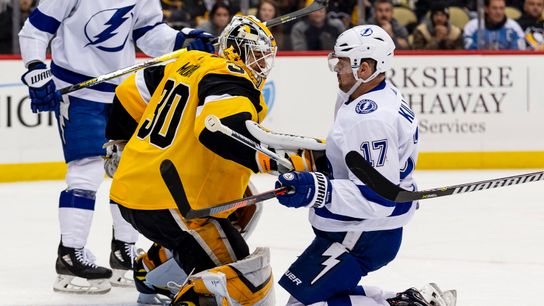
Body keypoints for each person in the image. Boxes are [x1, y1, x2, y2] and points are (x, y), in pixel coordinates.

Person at [106, 15, 312, 305]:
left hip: (135, 189)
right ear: (234, 51)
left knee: (241, 208)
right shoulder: (230, 76)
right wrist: (279, 161)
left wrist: (120, 142)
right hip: (169, 200)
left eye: (265, 57)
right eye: (255, 55)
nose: (261, 65)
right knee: (242, 284)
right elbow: (220, 131)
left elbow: (128, 92)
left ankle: (152, 272)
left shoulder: (187, 62)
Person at [18, 0, 214, 294]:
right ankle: (69, 254)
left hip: (124, 91)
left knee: (130, 171)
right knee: (86, 172)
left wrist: (181, 39)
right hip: (79, 91)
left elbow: (148, 32)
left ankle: (124, 251)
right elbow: (34, 30)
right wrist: (35, 69)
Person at [273, 25, 457, 306]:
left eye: (343, 62)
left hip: (365, 232)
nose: (337, 68)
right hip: (362, 228)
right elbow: (354, 160)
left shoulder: (370, 119)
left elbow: (378, 198)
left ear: (366, 68)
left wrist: (316, 190)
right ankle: (404, 301)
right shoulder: (365, 96)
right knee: (313, 297)